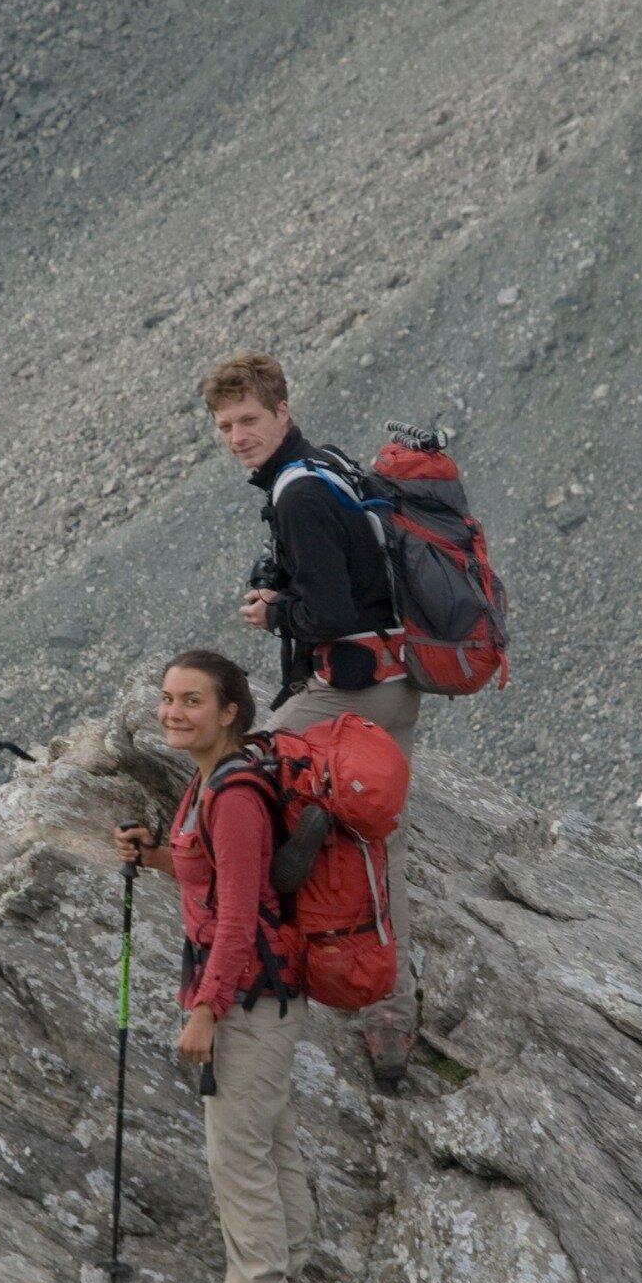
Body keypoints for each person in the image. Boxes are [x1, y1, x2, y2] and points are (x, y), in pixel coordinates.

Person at [203, 350, 420, 1086]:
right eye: (225, 426)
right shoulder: (326, 465)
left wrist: (273, 613)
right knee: (377, 841)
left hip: (351, 690)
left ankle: (267, 953)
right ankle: (390, 1015)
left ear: (282, 412)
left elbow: (327, 611)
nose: (238, 437)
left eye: (249, 420)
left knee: (238, 776)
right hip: (396, 678)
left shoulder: (296, 496)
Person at [116, 649, 312, 1283]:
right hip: (263, 991)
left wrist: (206, 1010)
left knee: (238, 1156)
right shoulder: (212, 780)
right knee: (268, 1142)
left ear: (230, 712)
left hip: (249, 997)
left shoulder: (232, 796)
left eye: (192, 700)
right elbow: (220, 876)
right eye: (168, 698)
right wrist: (157, 857)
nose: (173, 712)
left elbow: (237, 916)